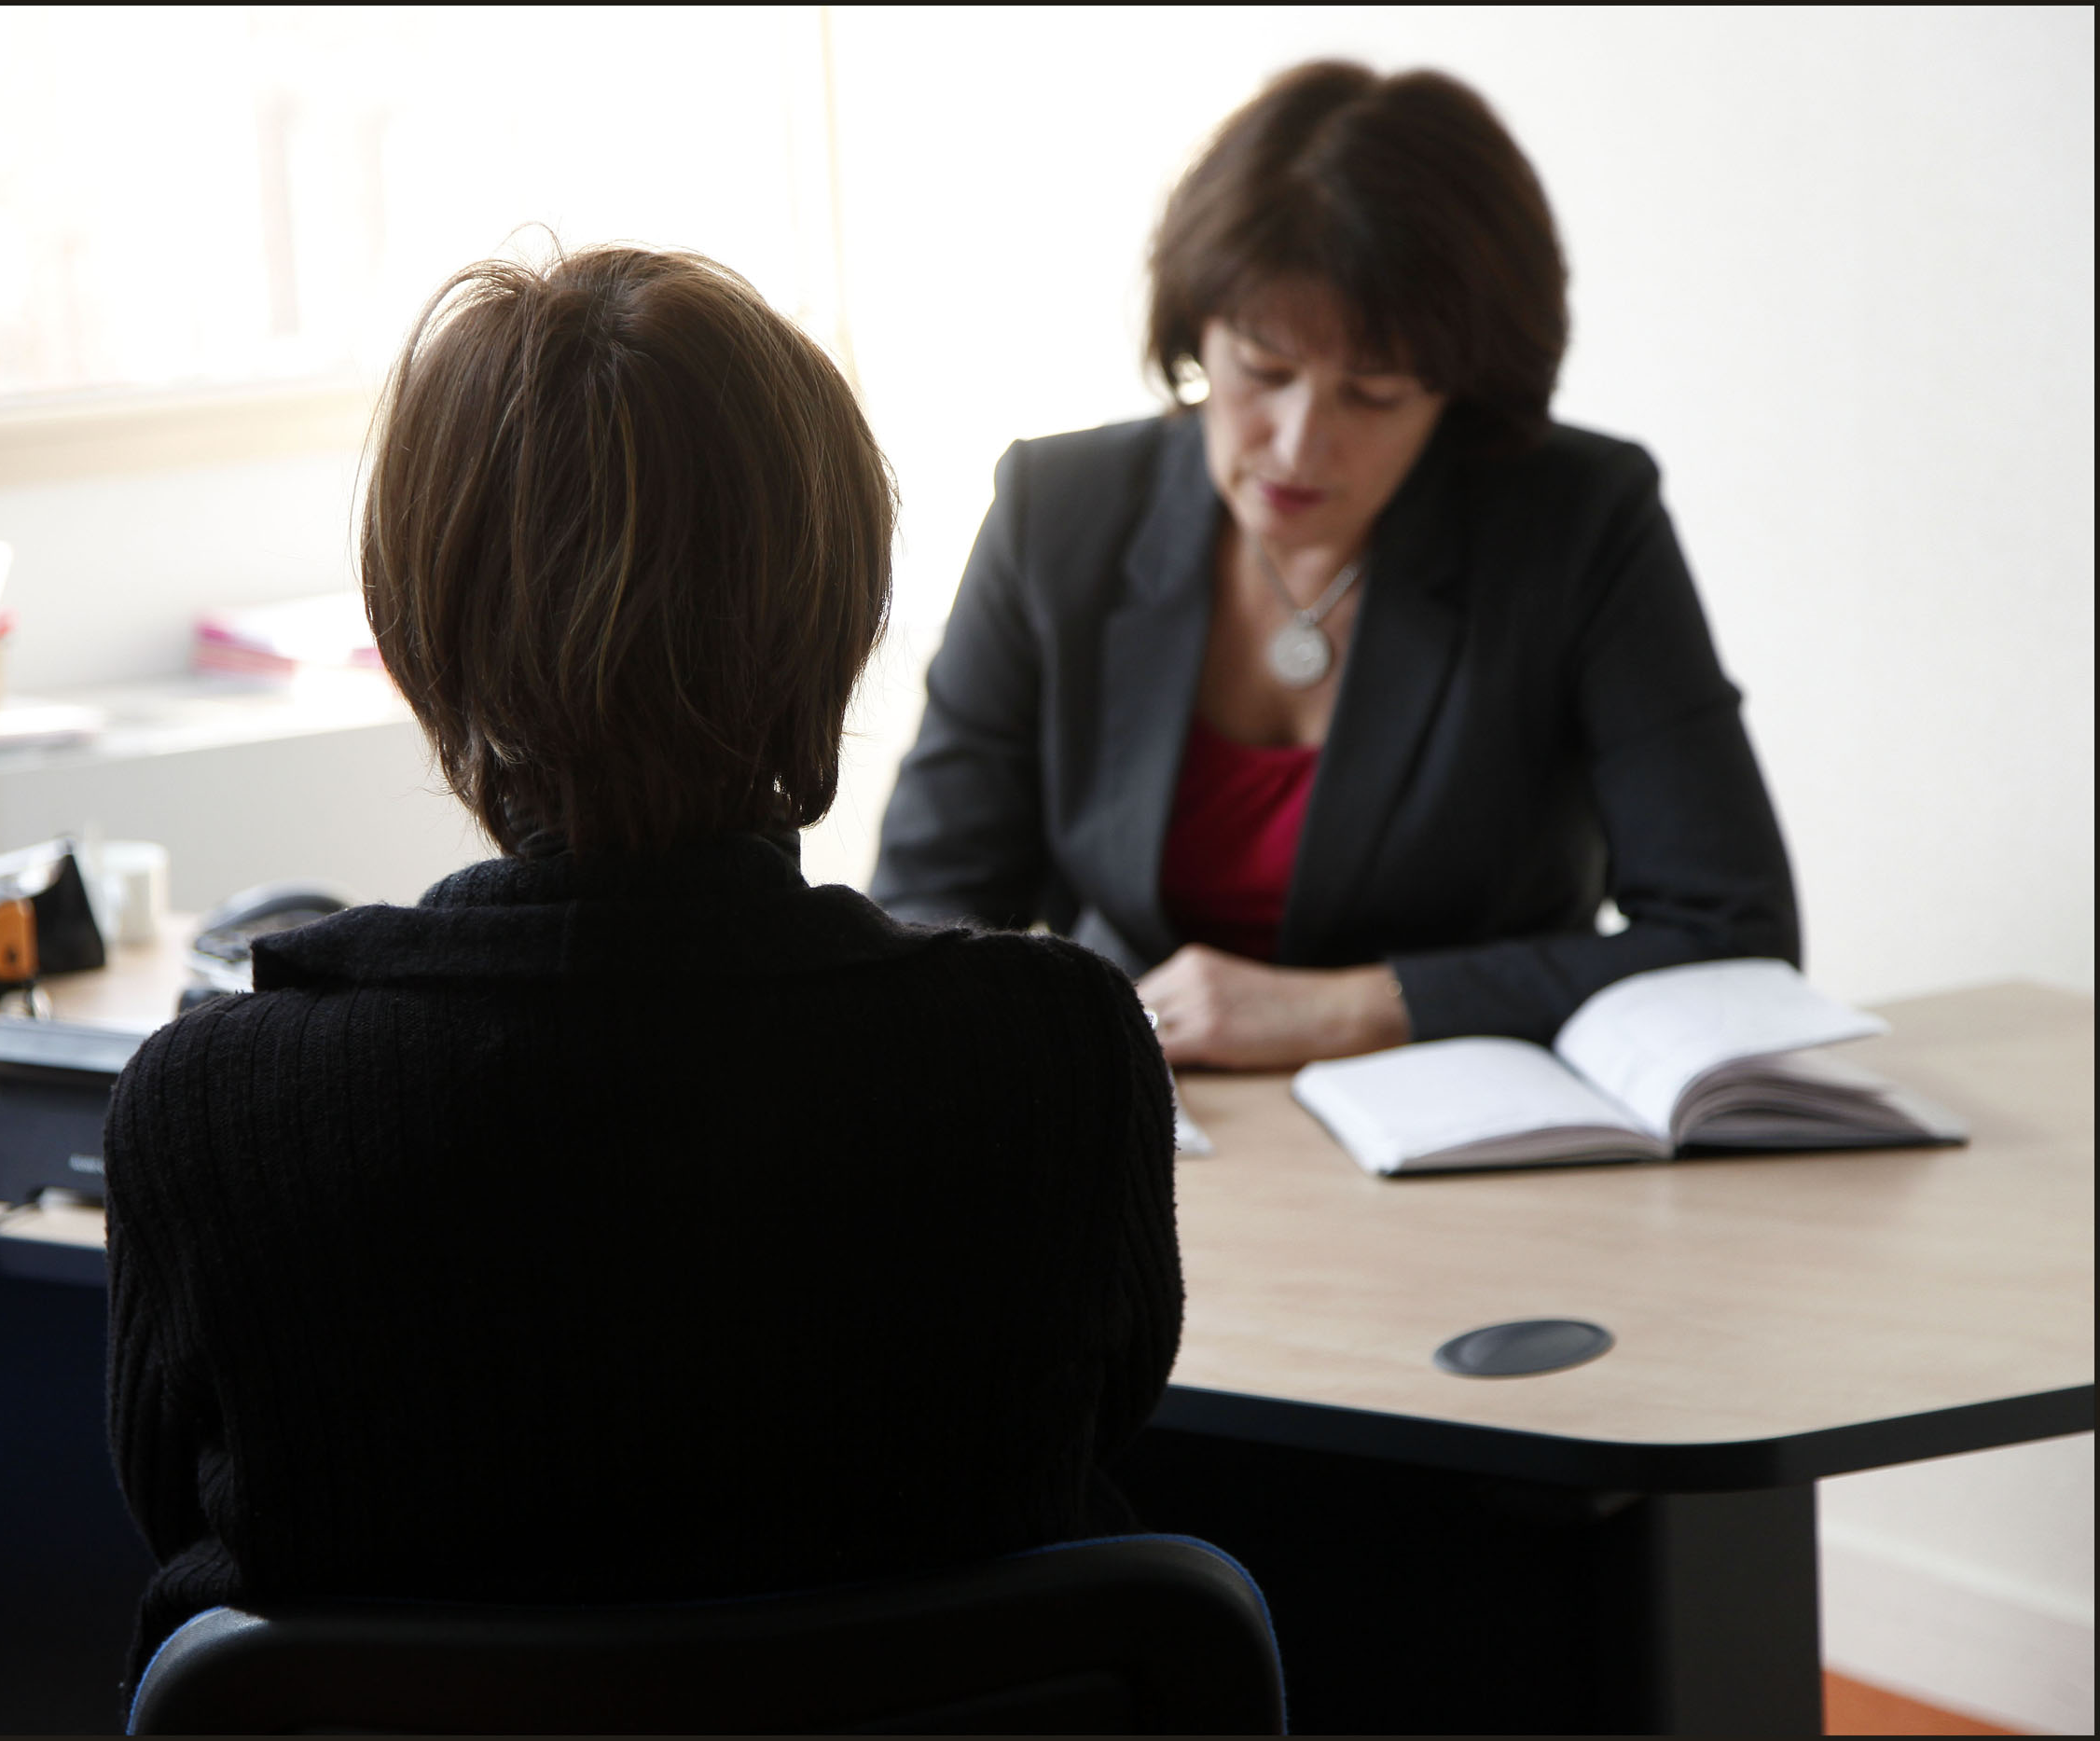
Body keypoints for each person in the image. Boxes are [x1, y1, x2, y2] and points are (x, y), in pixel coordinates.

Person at [101, 246, 1181, 1693]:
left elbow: (179, 1507)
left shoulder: (211, 1114)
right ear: (842, 622)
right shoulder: (1060, 1057)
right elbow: (1097, 1424)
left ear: (420, 639)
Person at [871, 62, 1798, 1069]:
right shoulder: (1057, 511)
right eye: (1263, 370)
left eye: (1375, 393)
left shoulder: (1579, 522)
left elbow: (1734, 933)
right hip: (1153, 1107)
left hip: (1473, 1119)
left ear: (1460, 390)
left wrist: (1353, 1008)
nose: (1299, 445)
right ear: (1196, 326)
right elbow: (922, 918)